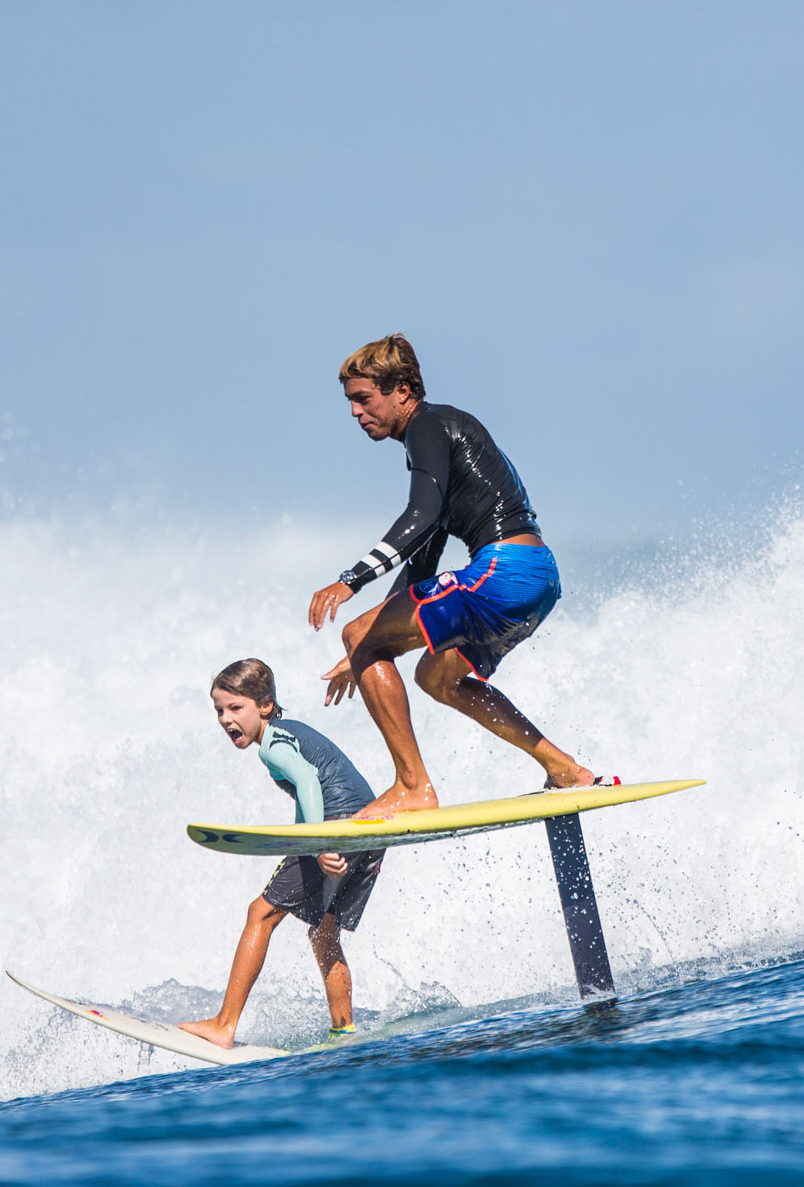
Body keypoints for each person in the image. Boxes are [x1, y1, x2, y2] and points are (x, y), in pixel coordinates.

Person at [309, 334, 604, 817]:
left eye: (364, 399)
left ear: (402, 390)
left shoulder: (429, 426)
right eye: (350, 403)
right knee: (436, 676)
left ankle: (412, 787)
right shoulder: (444, 440)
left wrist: (351, 583)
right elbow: (423, 558)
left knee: (358, 634)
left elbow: (420, 515)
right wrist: (371, 640)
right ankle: (564, 767)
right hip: (537, 579)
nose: (356, 413)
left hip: (501, 571)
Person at [179, 658, 385, 1048]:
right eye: (219, 711)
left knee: (261, 913)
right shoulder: (292, 733)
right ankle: (343, 1029)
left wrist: (318, 843)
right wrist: (306, 838)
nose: (225, 719)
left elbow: (309, 781)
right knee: (324, 930)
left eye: (235, 708)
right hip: (369, 828)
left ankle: (224, 1024)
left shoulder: (272, 744)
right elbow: (312, 787)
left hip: (336, 824)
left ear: (266, 706)